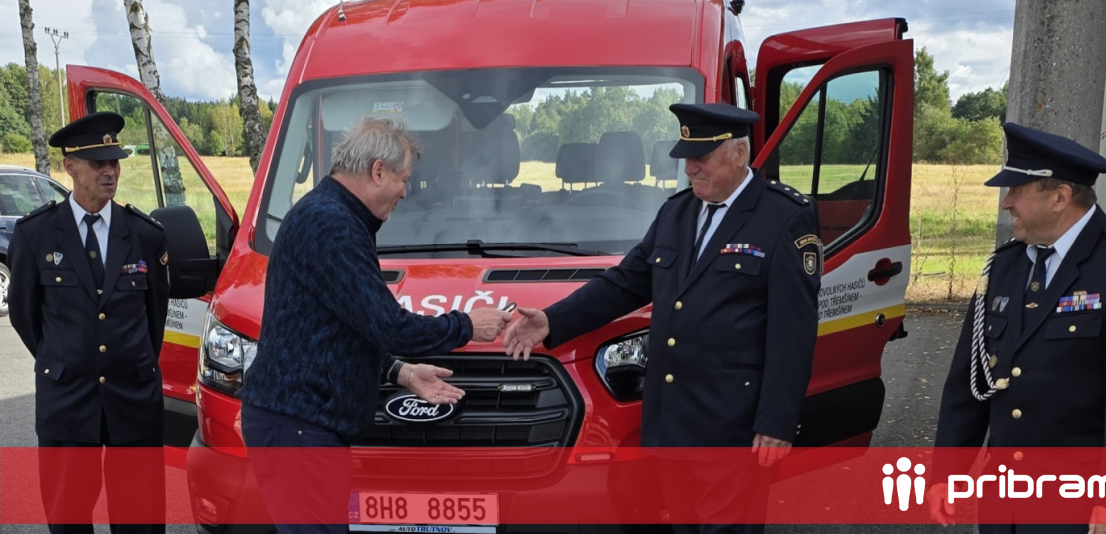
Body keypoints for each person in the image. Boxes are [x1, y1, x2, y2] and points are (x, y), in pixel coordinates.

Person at [504, 103, 823, 534]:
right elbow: (624, 283)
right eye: (686, 157)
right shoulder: (677, 212)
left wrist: (776, 422)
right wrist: (551, 321)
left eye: (701, 157)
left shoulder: (783, 216)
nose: (690, 168)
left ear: (738, 153)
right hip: (672, 420)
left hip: (734, 424)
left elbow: (793, 331)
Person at [238, 117, 512, 534]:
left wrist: (401, 371)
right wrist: (467, 325)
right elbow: (389, 325)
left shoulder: (329, 215)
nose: (405, 191)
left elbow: (343, 324)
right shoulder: (331, 225)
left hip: (301, 425)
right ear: (378, 170)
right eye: (404, 179)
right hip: (299, 428)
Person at [929, 122, 1106, 534]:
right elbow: (969, 381)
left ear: (1060, 197)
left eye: (1017, 191)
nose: (1007, 203)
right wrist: (948, 473)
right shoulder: (1005, 265)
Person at [9, 111, 170, 534]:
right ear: (70, 166)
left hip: (132, 399)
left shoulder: (145, 235)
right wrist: (66, 358)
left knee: (141, 519)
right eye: (98, 163)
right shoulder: (36, 235)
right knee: (68, 518)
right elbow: (26, 316)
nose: (109, 172)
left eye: (114, 162)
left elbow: (154, 316)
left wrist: (126, 362)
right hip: (67, 400)